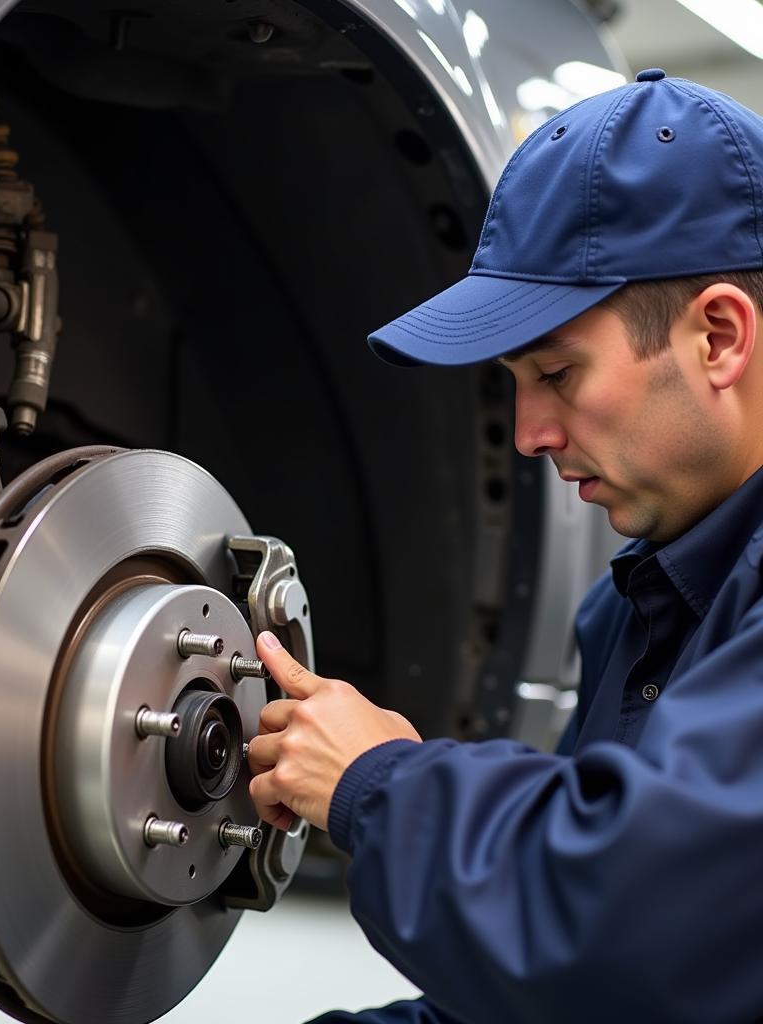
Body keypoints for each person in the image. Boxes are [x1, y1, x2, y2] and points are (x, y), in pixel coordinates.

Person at [245, 69, 763, 1024]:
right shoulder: (637, 606)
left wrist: (377, 783)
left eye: (559, 372)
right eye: (516, 382)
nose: (529, 433)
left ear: (722, 336)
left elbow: (628, 935)